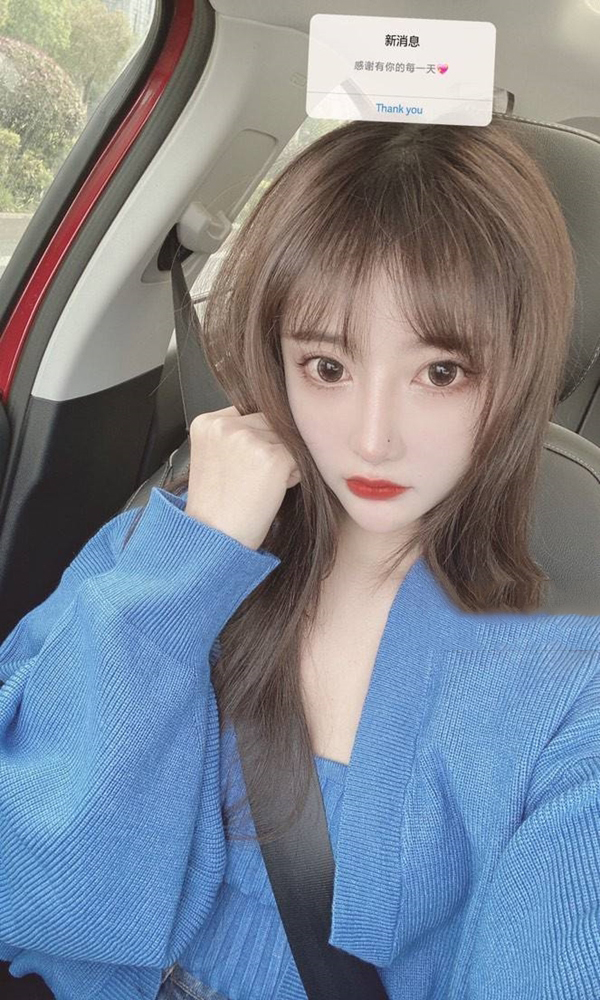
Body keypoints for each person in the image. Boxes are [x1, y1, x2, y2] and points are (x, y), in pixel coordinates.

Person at [0, 116, 599, 1000]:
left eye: (441, 372)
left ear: (516, 374)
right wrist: (191, 566)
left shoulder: (570, 694)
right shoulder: (159, 552)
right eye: (327, 366)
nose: (373, 438)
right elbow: (26, 875)